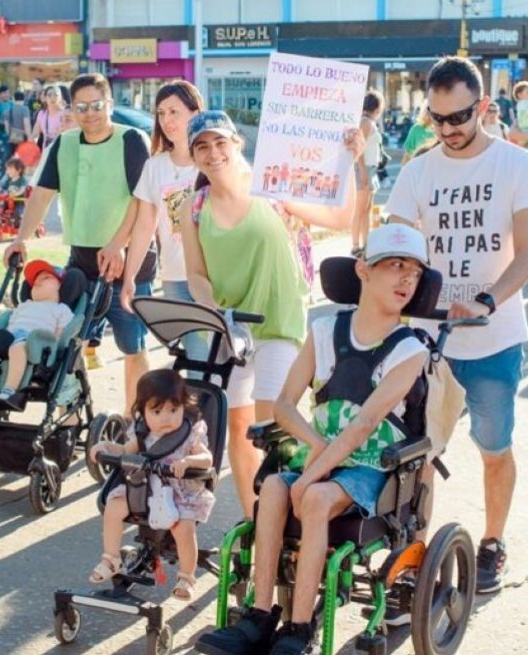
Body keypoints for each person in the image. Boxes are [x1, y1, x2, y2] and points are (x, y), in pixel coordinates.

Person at [195, 224, 431, 655]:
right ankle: (260, 616)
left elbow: (364, 424)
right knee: (271, 487)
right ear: (363, 270)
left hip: (373, 465)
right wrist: (314, 444)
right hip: (324, 454)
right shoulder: (324, 330)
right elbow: (284, 405)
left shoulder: (409, 350)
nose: (406, 279)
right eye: (395, 266)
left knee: (316, 498)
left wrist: (313, 474)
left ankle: (299, 629)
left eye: (415, 272)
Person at [385, 56, 528, 593]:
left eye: (459, 117)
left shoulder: (518, 166)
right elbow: (396, 244)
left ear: (483, 107)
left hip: (493, 338)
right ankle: (415, 552)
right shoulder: (418, 170)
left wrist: (487, 300)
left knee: (493, 446)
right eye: (437, 119)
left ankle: (493, 542)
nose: (448, 130)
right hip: (428, 337)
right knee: (418, 452)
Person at [180, 110, 362, 517]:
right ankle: (254, 521)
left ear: (236, 144)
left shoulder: (272, 186)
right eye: (202, 147)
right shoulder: (192, 207)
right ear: (193, 157)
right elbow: (195, 273)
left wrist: (348, 161)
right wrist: (213, 309)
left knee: (273, 431)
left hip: (279, 324)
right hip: (230, 331)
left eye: (220, 142)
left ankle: (283, 518)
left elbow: (339, 217)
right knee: (239, 434)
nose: (213, 153)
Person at [4, 73, 153, 414]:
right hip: (82, 263)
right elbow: (41, 194)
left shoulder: (132, 140)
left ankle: (133, 421)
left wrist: (118, 244)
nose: (90, 113)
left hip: (128, 261)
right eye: (81, 107)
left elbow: (141, 200)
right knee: (70, 342)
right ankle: (70, 416)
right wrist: (20, 239)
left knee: (133, 347)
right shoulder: (64, 143)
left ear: (110, 105)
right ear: (72, 109)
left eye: (97, 105)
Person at [87, 369, 214, 600]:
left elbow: (207, 459)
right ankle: (111, 558)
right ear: (143, 412)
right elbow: (124, 451)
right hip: (144, 489)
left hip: (180, 492)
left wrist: (188, 461)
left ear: (184, 407)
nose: (166, 418)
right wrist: (105, 447)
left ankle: (186, 577)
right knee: (114, 505)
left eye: (173, 410)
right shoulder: (142, 433)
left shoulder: (189, 434)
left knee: (183, 528)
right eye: (156, 411)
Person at [119, 81, 207, 367]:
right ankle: (203, 410)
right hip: (176, 279)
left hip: (216, 277)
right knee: (195, 358)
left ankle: (218, 411)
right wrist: (129, 277)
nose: (166, 120)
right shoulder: (155, 166)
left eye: (174, 111)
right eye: (160, 113)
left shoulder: (212, 159)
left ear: (195, 113)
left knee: (218, 358)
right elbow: (145, 226)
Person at [0, 259, 71, 406]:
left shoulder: (61, 309)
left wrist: (53, 349)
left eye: (46, 277)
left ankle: (9, 391)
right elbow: (8, 323)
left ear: (60, 287)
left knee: (17, 349)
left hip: (34, 343)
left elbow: (61, 334)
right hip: (8, 337)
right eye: (35, 280)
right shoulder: (24, 305)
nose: (38, 281)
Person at [353, 90, 386, 256]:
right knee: (361, 209)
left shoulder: (367, 121)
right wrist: (364, 171)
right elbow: (359, 149)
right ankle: (356, 245)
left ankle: (365, 244)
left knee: (365, 209)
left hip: (369, 168)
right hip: (365, 168)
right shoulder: (366, 122)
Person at [29, 83, 72, 155]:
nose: (53, 98)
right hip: (47, 152)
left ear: (61, 97)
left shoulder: (66, 114)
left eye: (56, 95)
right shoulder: (42, 114)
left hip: (62, 152)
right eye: (49, 95)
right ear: (45, 98)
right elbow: (35, 134)